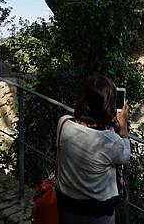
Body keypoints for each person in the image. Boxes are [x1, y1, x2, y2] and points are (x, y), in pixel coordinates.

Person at [56, 74, 130, 224]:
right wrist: (123, 127)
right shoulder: (111, 142)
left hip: (66, 206)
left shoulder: (63, 124)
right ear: (108, 106)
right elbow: (125, 154)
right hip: (98, 214)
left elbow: (82, 124)